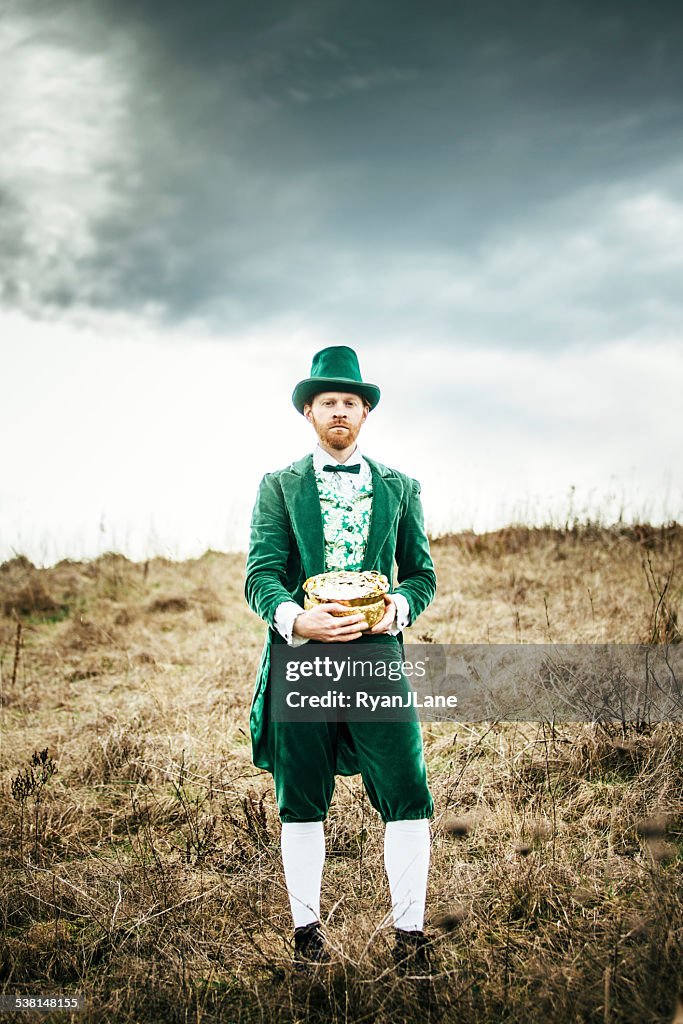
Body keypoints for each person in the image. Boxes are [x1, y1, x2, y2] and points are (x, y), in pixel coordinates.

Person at [244, 345, 437, 972]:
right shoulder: (278, 485)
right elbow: (261, 575)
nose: (339, 412)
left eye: (350, 403)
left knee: (407, 787)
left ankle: (409, 937)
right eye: (327, 402)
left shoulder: (401, 487)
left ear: (365, 412)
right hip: (301, 656)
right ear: (308, 412)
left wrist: (397, 609)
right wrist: (297, 618)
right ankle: (307, 936)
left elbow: (421, 575)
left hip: (378, 653)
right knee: (301, 795)